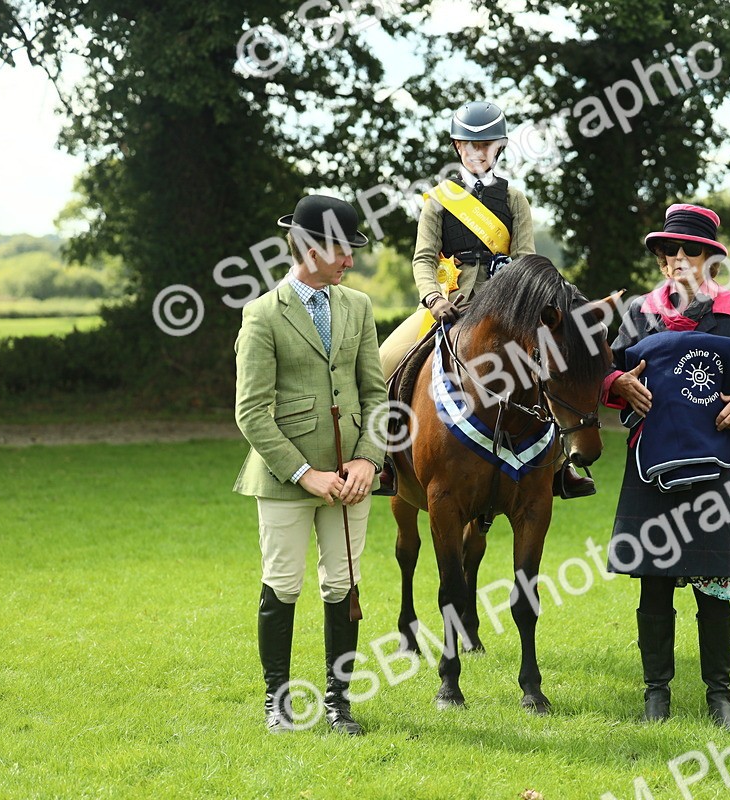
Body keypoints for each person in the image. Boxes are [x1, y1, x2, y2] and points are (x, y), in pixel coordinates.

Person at [603, 203, 730, 730]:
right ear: (662, 262)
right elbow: (604, 375)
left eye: (692, 252)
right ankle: (655, 695)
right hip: (651, 467)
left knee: (716, 587)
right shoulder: (637, 313)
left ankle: (720, 697)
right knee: (655, 582)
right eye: (671, 252)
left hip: (713, 469)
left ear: (711, 259)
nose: (680, 260)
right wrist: (616, 386)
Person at [377, 99, 593, 498]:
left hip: (505, 313)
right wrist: (432, 300)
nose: (478, 152)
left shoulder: (514, 200)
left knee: (549, 365)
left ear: (501, 147)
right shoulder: (439, 200)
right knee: (387, 358)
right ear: (458, 147)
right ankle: (385, 461)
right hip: (448, 305)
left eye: (487, 145)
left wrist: (513, 282)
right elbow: (423, 258)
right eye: (470, 145)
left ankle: (561, 467)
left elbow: (529, 260)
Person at [233, 194, 388, 735]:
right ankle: (278, 701)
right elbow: (251, 412)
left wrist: (370, 459)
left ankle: (337, 701)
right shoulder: (261, 315)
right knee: (282, 584)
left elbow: (376, 393)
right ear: (310, 247)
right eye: (344, 250)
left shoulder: (359, 307)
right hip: (285, 479)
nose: (351, 261)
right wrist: (306, 474)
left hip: (351, 478)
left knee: (343, 584)